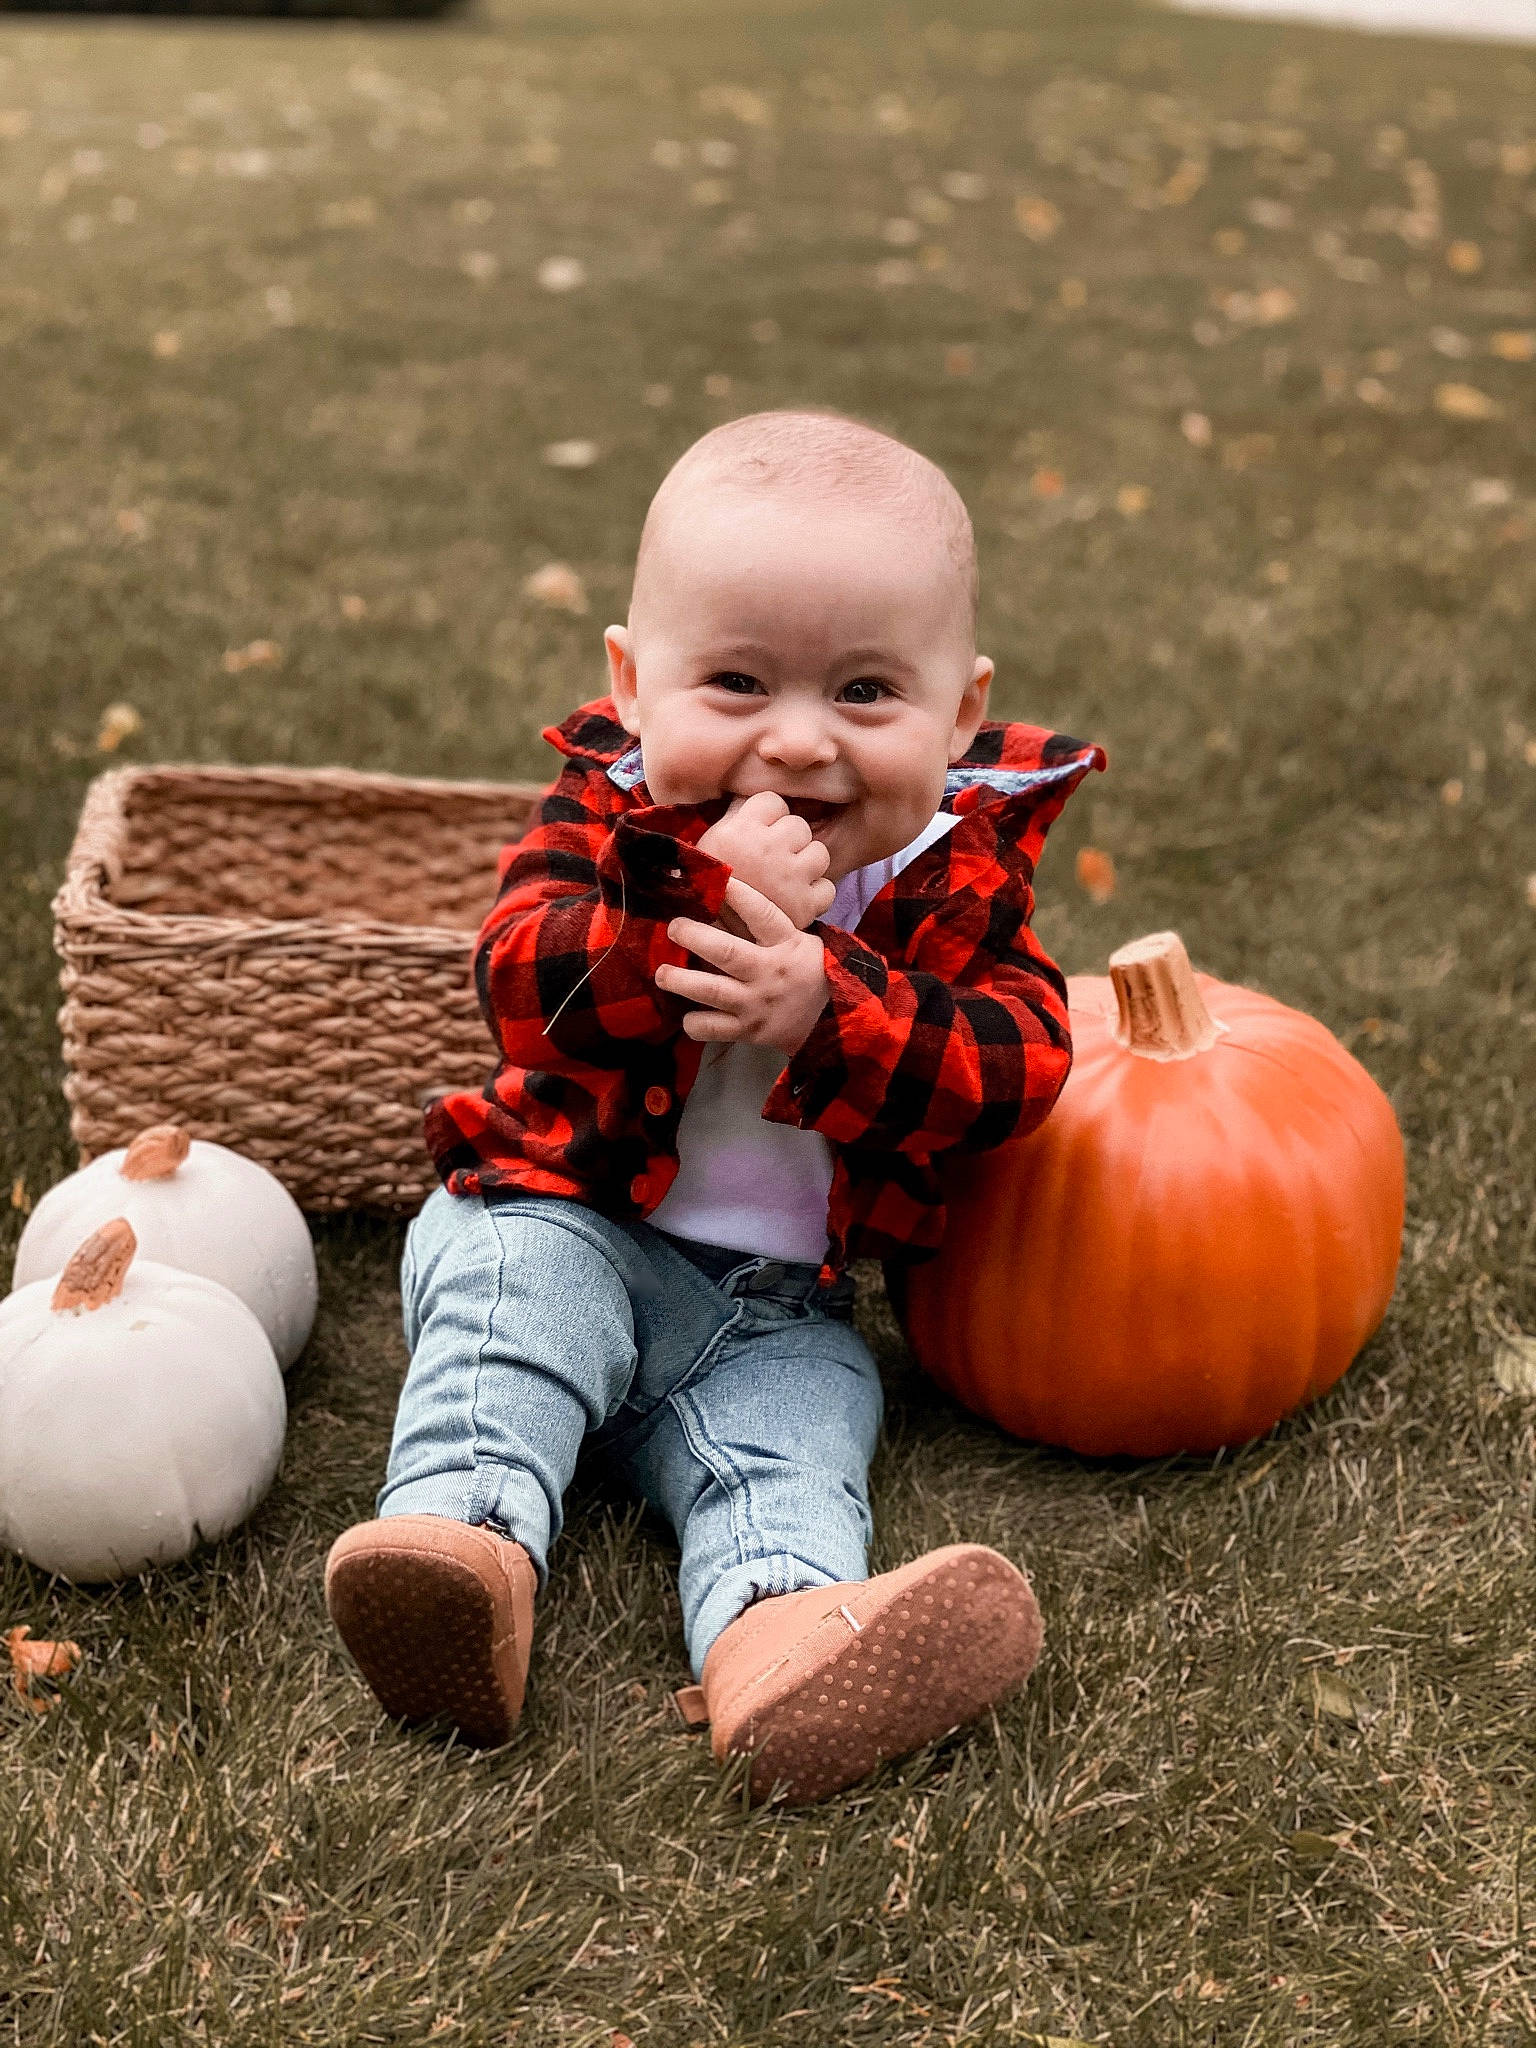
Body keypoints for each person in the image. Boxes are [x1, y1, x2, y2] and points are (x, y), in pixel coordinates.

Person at [324, 408, 1104, 1806]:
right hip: (566, 1216)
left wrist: (834, 1004)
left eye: (867, 693)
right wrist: (682, 910)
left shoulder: (953, 881)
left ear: (962, 711)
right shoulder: (609, 821)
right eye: (736, 682)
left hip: (766, 1305)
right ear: (633, 682)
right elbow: (519, 979)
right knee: (518, 1315)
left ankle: (776, 1632)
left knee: (808, 1418)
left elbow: (1022, 1062)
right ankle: (465, 1549)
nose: (797, 745)